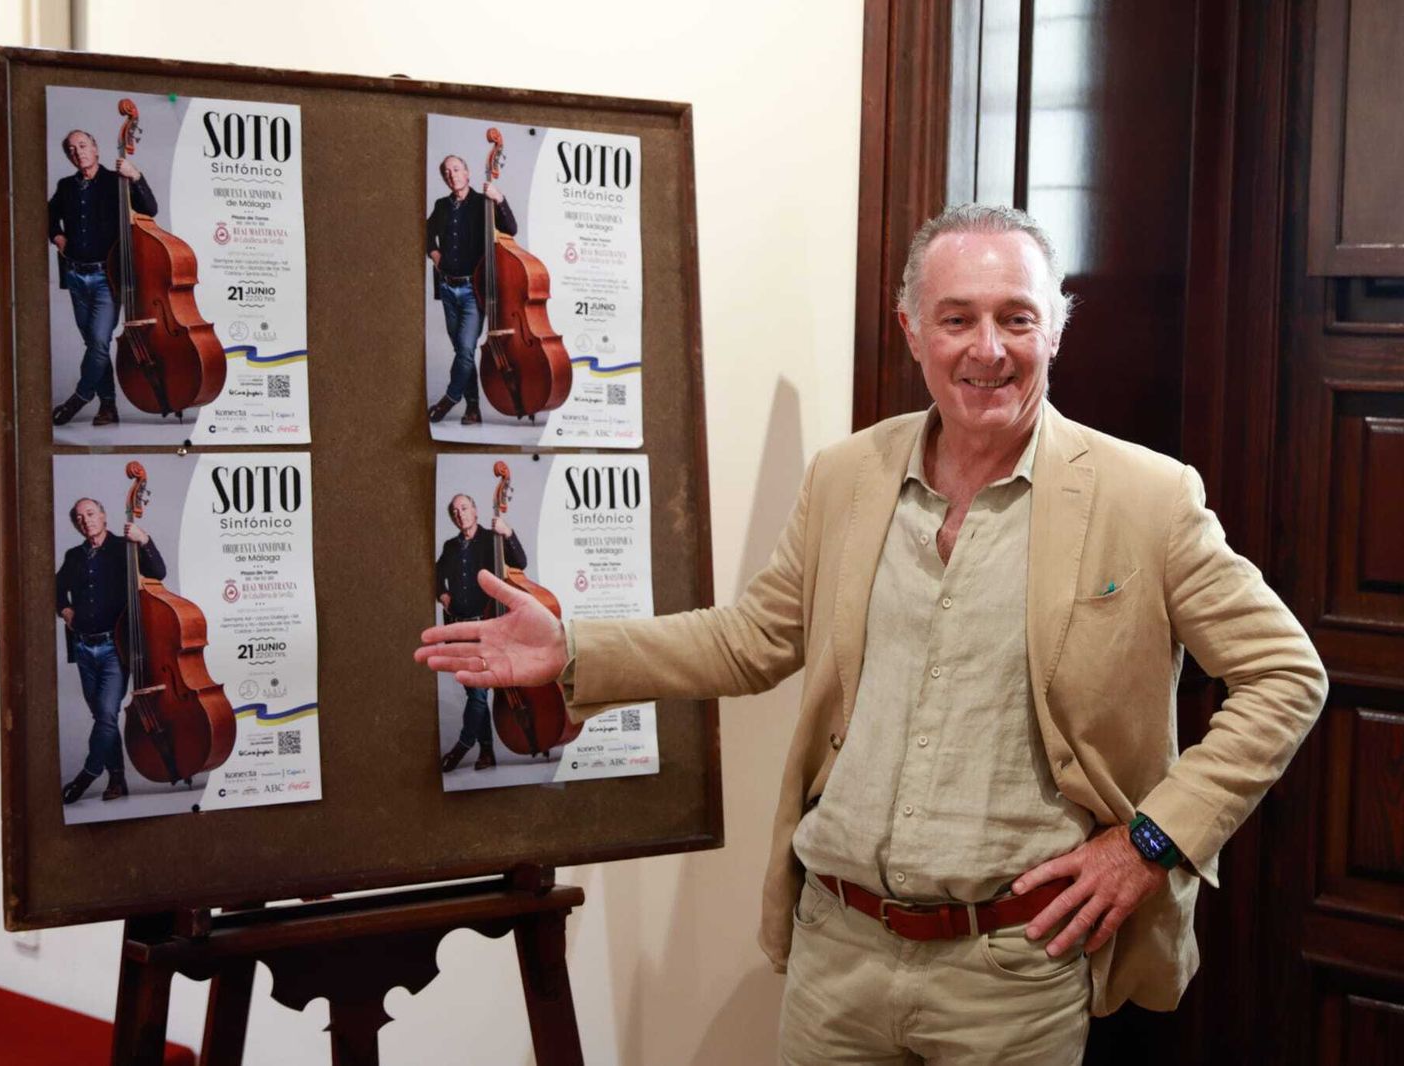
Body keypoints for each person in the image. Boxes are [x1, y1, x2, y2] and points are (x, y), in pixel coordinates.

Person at [415, 204, 1328, 1062]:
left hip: (1012, 968)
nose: (988, 350)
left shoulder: (1148, 497)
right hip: (836, 952)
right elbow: (751, 640)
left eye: (1017, 318)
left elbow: (1287, 676)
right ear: (911, 331)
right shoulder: (848, 476)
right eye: (957, 319)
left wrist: (1150, 843)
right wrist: (575, 649)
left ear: (1056, 328)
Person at [55, 496, 166, 804]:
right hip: (82, 648)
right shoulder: (73, 555)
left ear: (103, 516)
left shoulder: (123, 548)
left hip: (114, 647)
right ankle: (117, 778)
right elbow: (55, 589)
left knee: (106, 713)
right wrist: (64, 610)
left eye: (91, 514)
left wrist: (143, 539)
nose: (85, 520)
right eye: (79, 518)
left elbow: (159, 571)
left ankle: (88, 774)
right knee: (102, 717)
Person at [47, 128, 158, 428]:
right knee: (94, 344)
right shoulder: (66, 186)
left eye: (83, 145)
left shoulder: (116, 182)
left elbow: (150, 209)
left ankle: (80, 398)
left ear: (95, 148)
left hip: (106, 276)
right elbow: (48, 214)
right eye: (71, 149)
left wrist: (135, 175)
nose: (78, 152)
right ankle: (108, 406)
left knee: (98, 341)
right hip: (74, 276)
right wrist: (57, 236)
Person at [434, 492, 526, 772]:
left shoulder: (491, 539)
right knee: (476, 694)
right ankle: (487, 752)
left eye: (464, 507)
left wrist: (508, 532)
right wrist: (442, 593)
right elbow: (436, 574)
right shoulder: (450, 546)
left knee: (476, 694)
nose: (459, 513)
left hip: (487, 626)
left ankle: (463, 745)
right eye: (454, 510)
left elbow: (520, 562)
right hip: (459, 627)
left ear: (474, 510)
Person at [425, 153, 518, 427]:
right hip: (447, 289)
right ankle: (473, 408)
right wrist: (434, 253)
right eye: (446, 171)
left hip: (471, 290)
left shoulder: (483, 203)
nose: (451, 174)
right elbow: (427, 234)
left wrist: (499, 198)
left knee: (465, 349)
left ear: (467, 173)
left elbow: (511, 228)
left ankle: (450, 399)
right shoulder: (441, 205)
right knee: (461, 352)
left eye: (456, 169)